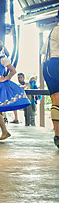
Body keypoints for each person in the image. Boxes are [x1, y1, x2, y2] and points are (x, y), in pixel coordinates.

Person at [41, 12, 59, 148]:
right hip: (57, 63)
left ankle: (57, 135)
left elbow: (43, 52)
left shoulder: (52, 31)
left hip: (47, 66)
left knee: (55, 101)